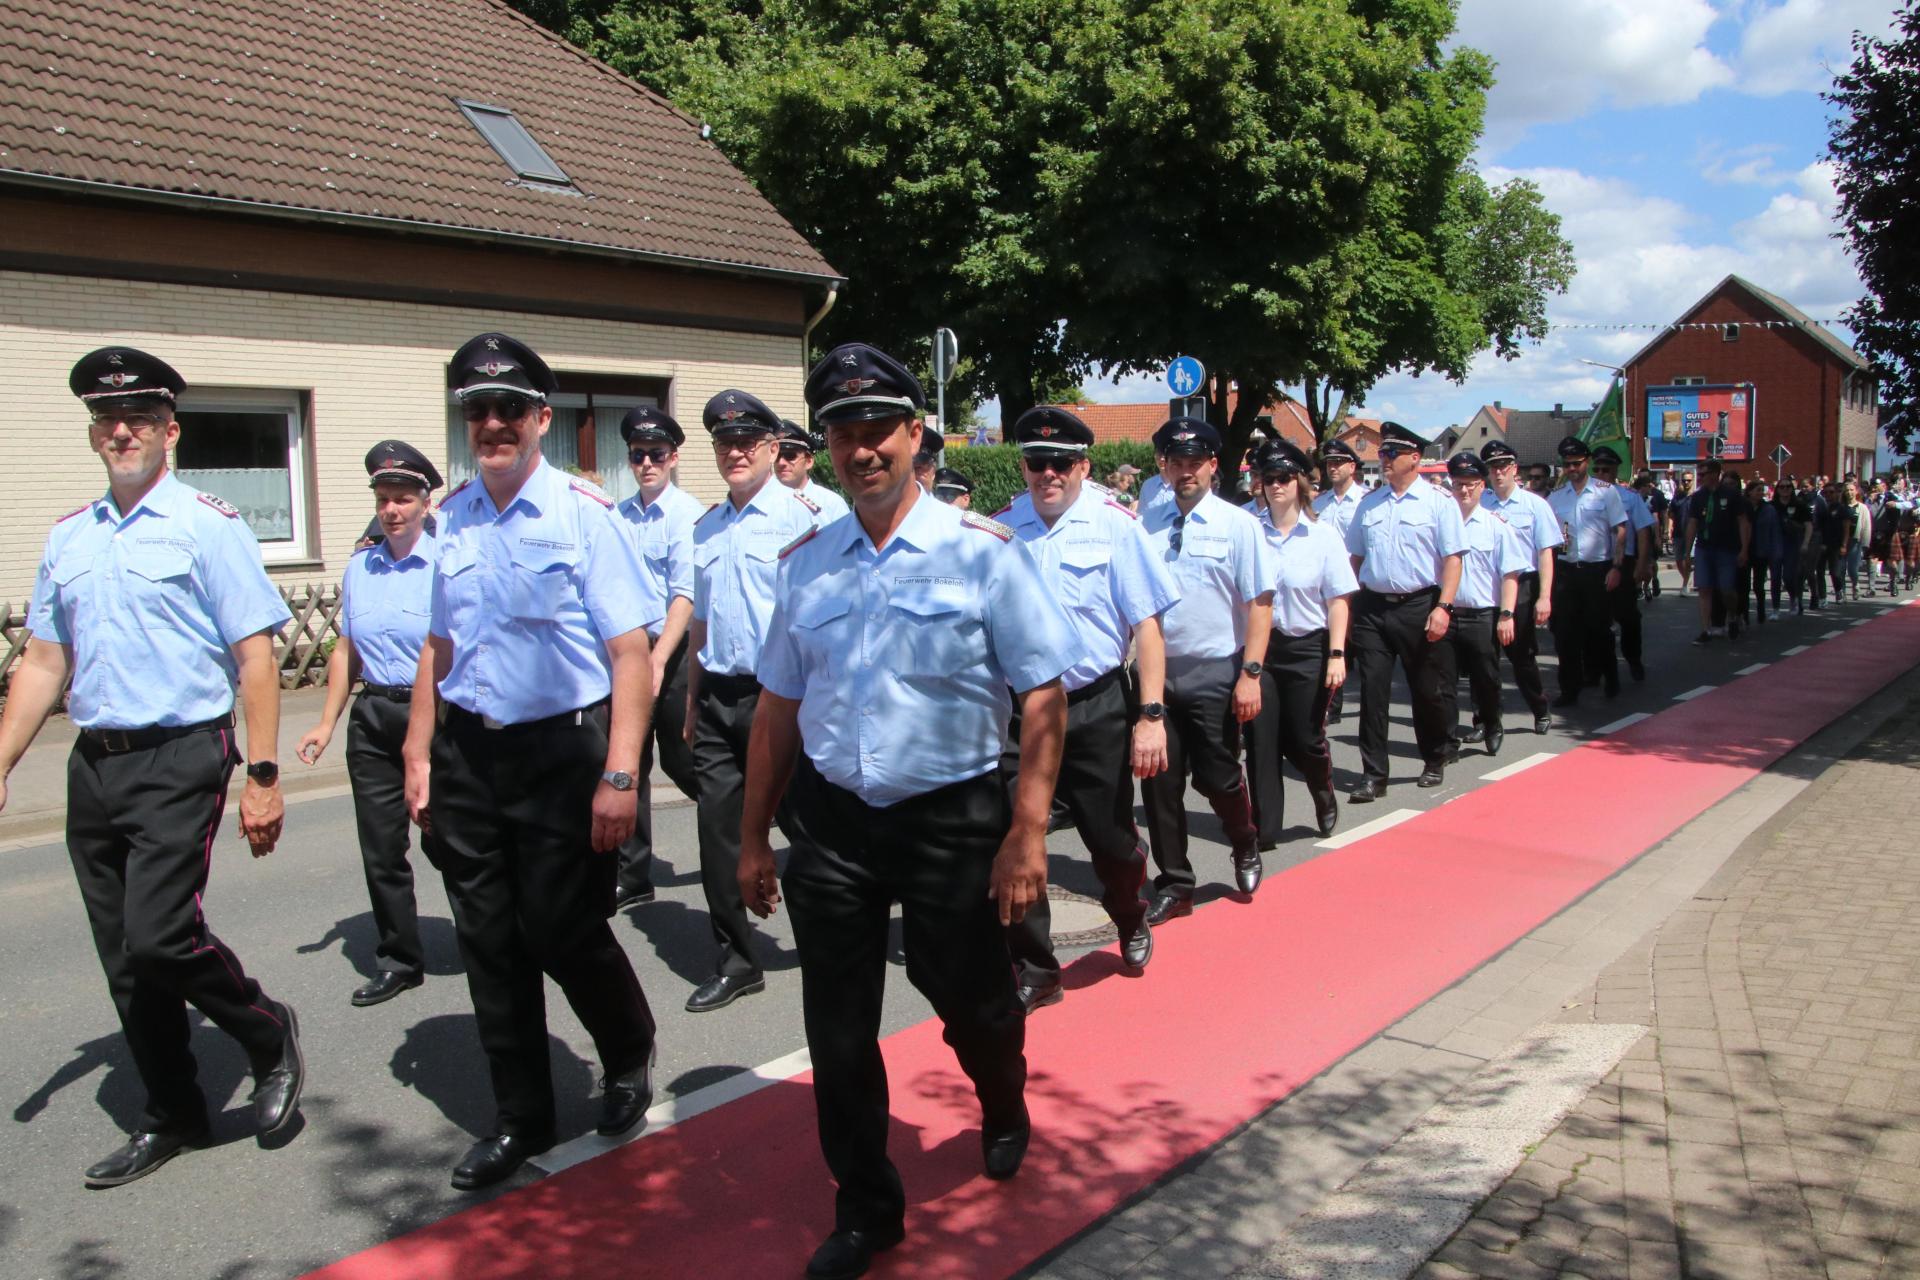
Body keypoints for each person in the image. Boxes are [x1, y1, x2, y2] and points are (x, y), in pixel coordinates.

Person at [737, 342, 1076, 1280]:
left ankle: (1001, 1097)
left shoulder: (983, 555)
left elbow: (1043, 699)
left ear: (915, 434)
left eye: (877, 428)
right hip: (835, 824)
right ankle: (866, 1208)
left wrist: (1028, 831)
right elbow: (777, 706)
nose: (860, 448)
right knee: (838, 1031)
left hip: (952, 819)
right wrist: (751, 836)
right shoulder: (804, 564)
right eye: (843, 431)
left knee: (966, 998)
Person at [0, 346, 302, 1187]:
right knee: (125, 957)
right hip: (95, 763)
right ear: (94, 434)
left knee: (161, 935)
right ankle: (174, 1112)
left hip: (180, 753)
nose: (120, 430)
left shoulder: (209, 524)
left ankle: (267, 1032)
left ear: (170, 431)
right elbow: (44, 662)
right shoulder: (69, 538)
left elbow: (254, 657)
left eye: (136, 417)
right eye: (106, 418)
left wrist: (265, 777)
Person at [402, 332, 661, 1190]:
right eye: (477, 410)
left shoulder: (586, 517)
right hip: (472, 753)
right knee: (488, 942)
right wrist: (418, 750)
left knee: (561, 929)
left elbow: (631, 655)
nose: (492, 424)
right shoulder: (451, 520)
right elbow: (436, 646)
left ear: (542, 420)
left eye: (509, 408)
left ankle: (626, 1050)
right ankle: (522, 1117)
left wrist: (622, 776)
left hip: (563, 751)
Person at [996, 406, 1176, 1011]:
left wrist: (1150, 715)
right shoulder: (998, 532)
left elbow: (1147, 627)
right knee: (1018, 835)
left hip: (1095, 704)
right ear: (1023, 466)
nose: (1048, 473)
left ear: (1083, 466)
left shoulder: (1117, 526)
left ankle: (1129, 913)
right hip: (1020, 713)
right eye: (1037, 462)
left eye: (1062, 462)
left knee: (1109, 839)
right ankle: (1038, 966)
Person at [685, 390, 823, 1012]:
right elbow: (701, 626)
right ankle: (739, 958)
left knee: (807, 825)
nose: (735, 452)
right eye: (724, 443)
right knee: (717, 831)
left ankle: (829, 934)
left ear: (773, 449)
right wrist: (691, 701)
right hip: (719, 697)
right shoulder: (707, 526)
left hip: (784, 700)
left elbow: (825, 616)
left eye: (746, 442)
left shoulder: (806, 518)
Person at [297, 440, 444, 1007]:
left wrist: (426, 741)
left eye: (403, 498)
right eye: (383, 499)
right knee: (381, 848)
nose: (392, 510)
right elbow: (346, 648)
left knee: (447, 839)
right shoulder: (361, 565)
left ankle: (490, 939)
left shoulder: (445, 564)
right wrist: (327, 722)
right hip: (374, 715)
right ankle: (400, 958)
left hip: (431, 715)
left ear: (425, 504)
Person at [1138, 418, 1274, 920]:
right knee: (1159, 782)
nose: (1185, 470)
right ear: (1165, 467)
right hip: (1157, 674)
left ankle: (1244, 840)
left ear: (1213, 466)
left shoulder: (1238, 525)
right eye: (1176, 462)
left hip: (1216, 671)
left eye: (1195, 462)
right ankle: (1175, 883)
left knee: (1218, 778)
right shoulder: (1146, 524)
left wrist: (1251, 673)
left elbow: (1261, 603)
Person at [611, 406, 705, 909]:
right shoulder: (617, 517)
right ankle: (633, 872)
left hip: (672, 648)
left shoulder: (685, 514)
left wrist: (659, 660)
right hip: (628, 652)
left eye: (657, 454)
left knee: (681, 756)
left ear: (673, 458)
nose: (647, 463)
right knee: (629, 760)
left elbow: (684, 596)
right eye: (638, 455)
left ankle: (735, 823)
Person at [1344, 421, 1465, 800]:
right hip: (1373, 608)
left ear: (1415, 458)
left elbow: (1453, 560)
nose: (1384, 460)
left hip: (1419, 604)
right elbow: (1354, 558)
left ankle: (1434, 756)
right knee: (1372, 692)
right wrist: (1350, 606)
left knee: (1426, 689)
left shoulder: (1438, 503)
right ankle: (1373, 774)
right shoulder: (1370, 503)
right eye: (1382, 454)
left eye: (1391, 454)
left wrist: (1443, 606)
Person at [1245, 440, 1353, 840]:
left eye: (1284, 478)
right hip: (1262, 649)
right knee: (1260, 738)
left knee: (1305, 738)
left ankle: (1322, 790)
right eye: (1267, 478)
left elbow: (1338, 599)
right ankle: (1265, 826)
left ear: (1301, 483)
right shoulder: (1249, 532)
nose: (1275, 485)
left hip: (1308, 647)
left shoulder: (1323, 536)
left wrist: (1337, 653)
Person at [1439, 452, 1527, 757]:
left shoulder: (1496, 525)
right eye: (1458, 484)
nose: (1464, 491)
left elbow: (1510, 574)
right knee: (1444, 682)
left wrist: (1507, 614)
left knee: (1486, 677)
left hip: (1481, 615)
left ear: (1481, 486)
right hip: (1446, 613)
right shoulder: (1439, 523)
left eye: (1471, 485)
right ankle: (1447, 741)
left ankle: (1491, 722)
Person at [1477, 440, 1560, 735]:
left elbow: (1545, 553)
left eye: (1503, 466)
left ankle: (1539, 709)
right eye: (1492, 467)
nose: (1497, 473)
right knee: (1483, 658)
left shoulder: (1534, 505)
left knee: (1520, 655)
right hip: (1487, 585)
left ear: (1513, 468)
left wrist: (1544, 597)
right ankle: (1485, 719)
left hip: (1523, 584)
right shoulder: (1481, 503)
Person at [1546, 437, 1628, 699]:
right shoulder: (1557, 497)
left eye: (1576, 463)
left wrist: (1617, 567)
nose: (1572, 469)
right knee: (1565, 633)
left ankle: (1610, 677)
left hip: (1597, 568)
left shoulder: (1605, 491)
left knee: (1598, 629)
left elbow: (1620, 530)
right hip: (1567, 570)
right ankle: (1570, 689)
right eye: (1567, 464)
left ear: (1587, 462)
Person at [1312, 439, 1365, 726]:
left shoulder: (1365, 501)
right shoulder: (1319, 503)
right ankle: (1334, 701)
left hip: (1356, 582)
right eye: (1329, 463)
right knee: (1332, 640)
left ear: (1352, 467)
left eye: (1338, 463)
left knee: (1355, 643)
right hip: (1325, 586)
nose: (1332, 468)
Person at [1592, 446, 1654, 679]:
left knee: (1627, 615)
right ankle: (1597, 666)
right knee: (1596, 617)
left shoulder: (1629, 498)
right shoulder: (1583, 497)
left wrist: (1642, 564)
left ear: (1616, 471)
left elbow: (1643, 531)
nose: (1600, 474)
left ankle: (1633, 658)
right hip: (1595, 561)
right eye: (1596, 469)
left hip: (1624, 562)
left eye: (1606, 470)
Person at [1682, 461, 1752, 644]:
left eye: (1704, 474)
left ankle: (1734, 615)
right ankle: (1706, 630)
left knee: (1726, 589)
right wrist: (1687, 553)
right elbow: (1692, 524)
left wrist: (1744, 549)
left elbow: (1743, 522)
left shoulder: (1732, 495)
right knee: (1704, 588)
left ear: (1715, 474)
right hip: (1704, 547)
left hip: (1727, 548)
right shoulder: (1698, 497)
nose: (1701, 477)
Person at [776, 418, 853, 523]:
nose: (781, 462)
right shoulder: (763, 503)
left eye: (790, 456)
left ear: (808, 461)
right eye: (776, 456)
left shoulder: (831, 504)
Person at [1743, 477, 1782, 625]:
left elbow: (1774, 530)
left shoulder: (1769, 509)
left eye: (1762, 491)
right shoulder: (1743, 507)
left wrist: (1774, 550)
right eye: (1757, 490)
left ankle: (1761, 611)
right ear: (1749, 492)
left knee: (1758, 584)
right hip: (1746, 549)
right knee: (1744, 585)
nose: (1761, 493)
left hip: (1761, 550)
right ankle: (1744, 614)